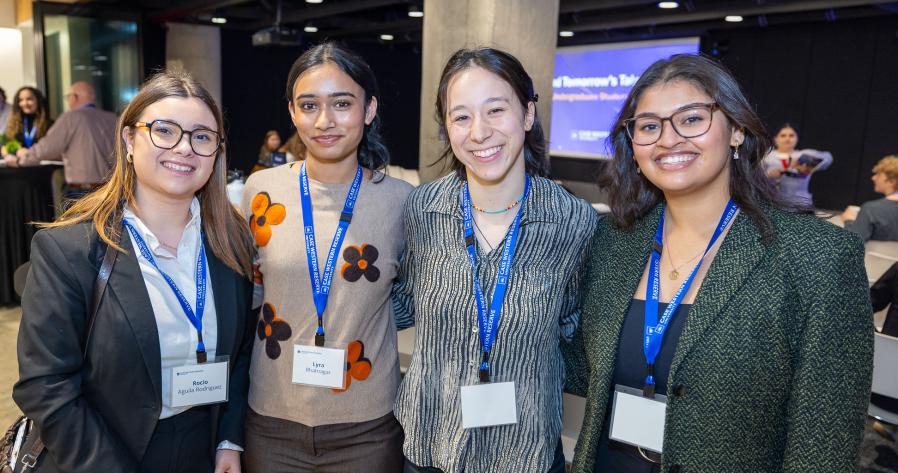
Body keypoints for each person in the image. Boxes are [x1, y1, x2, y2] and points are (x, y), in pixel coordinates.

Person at [562, 54, 873, 472]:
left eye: (691, 119)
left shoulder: (818, 258)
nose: (668, 139)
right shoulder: (612, 244)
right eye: (649, 126)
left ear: (737, 130)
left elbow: (823, 447)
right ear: (632, 147)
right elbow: (584, 370)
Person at [12, 70, 256, 473]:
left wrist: (229, 439)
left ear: (217, 151)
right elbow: (45, 385)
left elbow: (243, 350)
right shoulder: (70, 249)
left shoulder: (231, 243)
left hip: (205, 450)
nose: (184, 148)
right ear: (129, 140)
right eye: (164, 130)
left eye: (202, 136)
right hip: (102, 454)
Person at [392, 47, 597, 473]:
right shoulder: (422, 211)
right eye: (461, 116)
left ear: (526, 114)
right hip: (431, 448)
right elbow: (401, 303)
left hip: (525, 453)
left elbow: (579, 330)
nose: (479, 132)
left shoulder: (572, 222)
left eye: (496, 110)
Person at [241, 42, 411, 472]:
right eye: (309, 105)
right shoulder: (261, 192)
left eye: (342, 103)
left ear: (369, 109)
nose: (324, 121)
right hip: (272, 420)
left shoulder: (402, 203)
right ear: (293, 113)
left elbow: (411, 300)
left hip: (367, 427)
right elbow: (248, 295)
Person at [4, 81, 117, 202]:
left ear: (74, 97)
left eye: (68, 97)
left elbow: (47, 148)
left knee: (81, 222)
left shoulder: (70, 118)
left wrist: (20, 160)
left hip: (83, 193)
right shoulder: (113, 118)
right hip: (113, 190)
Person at [761, 122, 833, 206]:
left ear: (797, 138)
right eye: (783, 135)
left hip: (801, 203)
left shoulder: (804, 154)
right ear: (775, 139)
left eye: (791, 135)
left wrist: (805, 162)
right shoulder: (767, 156)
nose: (787, 139)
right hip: (773, 202)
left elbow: (828, 158)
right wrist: (769, 175)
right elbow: (753, 176)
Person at [842, 155, 898, 241]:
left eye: (878, 175)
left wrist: (848, 221)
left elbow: (851, 244)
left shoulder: (871, 210)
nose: (873, 178)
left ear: (892, 181)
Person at [0, 86, 52, 155]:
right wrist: (6, 150)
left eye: (29, 99)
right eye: (21, 100)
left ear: (38, 101)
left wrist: (29, 153)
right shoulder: (15, 125)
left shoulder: (50, 125)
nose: (25, 103)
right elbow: (7, 146)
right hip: (19, 164)